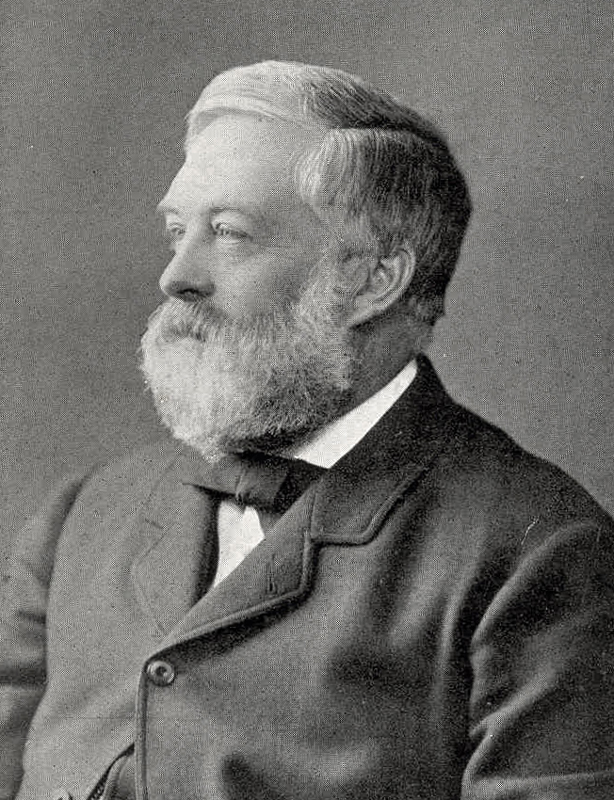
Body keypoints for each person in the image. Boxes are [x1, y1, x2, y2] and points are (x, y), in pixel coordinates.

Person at [1, 60, 613, 800]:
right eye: (177, 232)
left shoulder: (539, 554)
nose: (176, 276)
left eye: (228, 233)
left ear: (371, 280)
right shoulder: (85, 516)